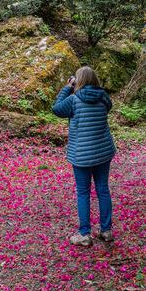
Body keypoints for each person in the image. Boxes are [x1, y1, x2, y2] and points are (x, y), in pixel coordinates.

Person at [52, 66, 116, 247]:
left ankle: (84, 234)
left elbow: (56, 109)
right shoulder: (104, 97)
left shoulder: (73, 100)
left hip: (82, 154)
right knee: (103, 189)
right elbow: (107, 108)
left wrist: (67, 88)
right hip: (103, 151)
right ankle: (106, 230)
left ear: (77, 80)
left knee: (83, 192)